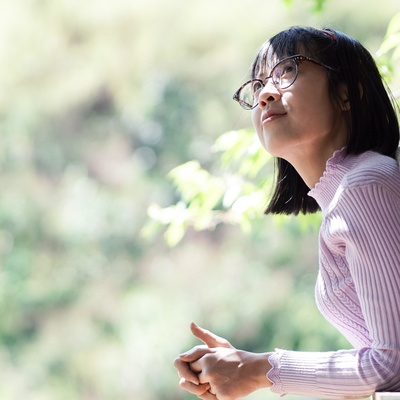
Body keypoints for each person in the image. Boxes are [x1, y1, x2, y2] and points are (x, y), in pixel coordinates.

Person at [173, 26, 400, 400]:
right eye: (258, 84)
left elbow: (392, 365)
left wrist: (256, 370)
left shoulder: (365, 184)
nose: (265, 93)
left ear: (346, 93)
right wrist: (241, 367)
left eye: (288, 71)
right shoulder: (347, 195)